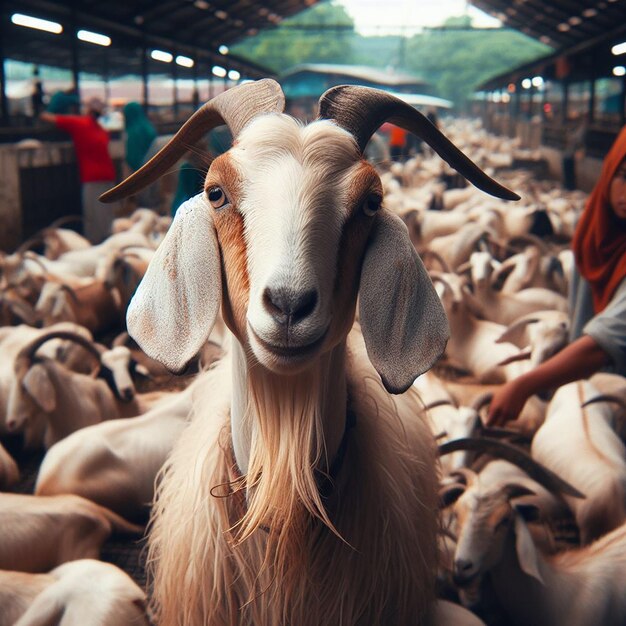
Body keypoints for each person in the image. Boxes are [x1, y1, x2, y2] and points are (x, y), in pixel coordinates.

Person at [487, 125, 626, 427]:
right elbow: (585, 330)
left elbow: (602, 342)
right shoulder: (595, 236)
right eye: (623, 175)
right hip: (589, 387)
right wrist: (550, 353)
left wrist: (524, 385)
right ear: (609, 172)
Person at [41, 97, 117, 243]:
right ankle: (108, 244)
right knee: (106, 218)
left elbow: (45, 117)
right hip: (108, 175)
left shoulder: (78, 123)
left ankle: (95, 248)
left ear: (88, 110)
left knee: (93, 220)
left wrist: (55, 104)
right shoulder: (102, 130)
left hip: (92, 178)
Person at [122, 101, 157, 173]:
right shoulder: (148, 126)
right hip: (153, 168)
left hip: (140, 171)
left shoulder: (133, 131)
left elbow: (133, 156)